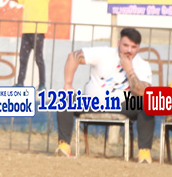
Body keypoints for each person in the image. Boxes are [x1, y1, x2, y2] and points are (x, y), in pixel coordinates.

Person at [57, 28, 155, 163]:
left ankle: (144, 152)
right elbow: (73, 56)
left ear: (138, 47)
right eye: (125, 45)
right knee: (65, 97)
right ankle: (64, 146)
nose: (129, 50)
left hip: (122, 105)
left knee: (148, 103)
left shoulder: (143, 65)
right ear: (119, 43)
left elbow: (142, 92)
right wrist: (68, 84)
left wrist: (129, 70)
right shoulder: (104, 53)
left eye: (133, 47)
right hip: (93, 102)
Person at [10, 0, 57, 89]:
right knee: (23, 59)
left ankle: (42, 84)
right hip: (26, 32)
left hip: (38, 33)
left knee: (39, 59)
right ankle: (20, 82)